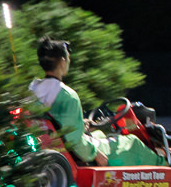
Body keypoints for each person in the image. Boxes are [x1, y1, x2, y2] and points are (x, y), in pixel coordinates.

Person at [28, 36, 163, 166]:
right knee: (132, 142)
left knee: (99, 133)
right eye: (68, 58)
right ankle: (166, 166)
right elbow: (74, 140)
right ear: (62, 61)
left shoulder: (33, 89)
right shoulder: (67, 95)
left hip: (53, 143)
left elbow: (58, 122)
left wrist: (81, 124)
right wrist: (96, 154)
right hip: (77, 151)